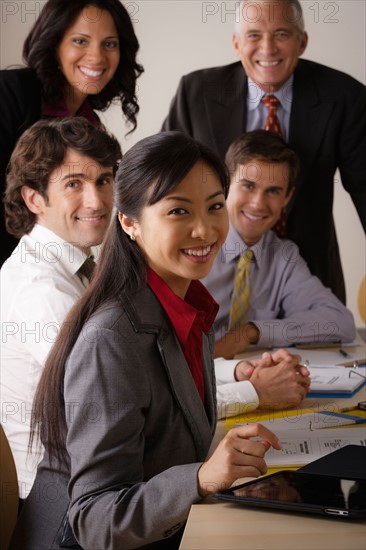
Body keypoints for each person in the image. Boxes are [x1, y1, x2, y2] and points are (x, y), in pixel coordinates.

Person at [10, 131, 284, 550]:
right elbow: (93, 520)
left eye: (214, 206)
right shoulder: (110, 338)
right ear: (129, 222)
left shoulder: (188, 306)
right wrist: (199, 477)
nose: (205, 229)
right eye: (178, 211)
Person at [162, 0, 366, 303]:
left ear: (302, 42)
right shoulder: (197, 92)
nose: (268, 48)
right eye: (254, 35)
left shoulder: (345, 96)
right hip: (212, 272)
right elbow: (162, 183)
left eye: (281, 34)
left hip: (308, 274)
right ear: (236, 43)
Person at [0, 117, 122, 500]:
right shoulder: (41, 288)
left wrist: (239, 375)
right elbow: (116, 399)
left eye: (103, 180)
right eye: (74, 184)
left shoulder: (76, 264)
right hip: (57, 506)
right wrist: (249, 391)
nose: (97, 201)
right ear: (34, 198)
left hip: (84, 483)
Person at [201, 130, 355, 418]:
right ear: (226, 182)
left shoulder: (283, 256)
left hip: (253, 390)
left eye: (273, 191)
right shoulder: (193, 245)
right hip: (199, 394)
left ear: (288, 197)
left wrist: (252, 332)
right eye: (248, 185)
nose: (259, 204)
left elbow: (341, 323)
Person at [0, 0, 143, 265]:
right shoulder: (11, 92)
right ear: (55, 44)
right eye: (80, 41)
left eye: (109, 44)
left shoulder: (91, 127)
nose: (97, 57)